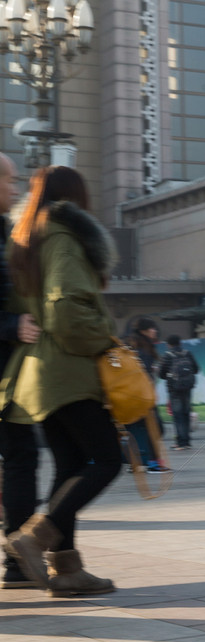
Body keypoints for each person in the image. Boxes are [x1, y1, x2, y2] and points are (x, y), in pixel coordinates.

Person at [2, 165, 120, 595]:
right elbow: (65, 311)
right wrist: (104, 339)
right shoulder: (63, 237)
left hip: (36, 375)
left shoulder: (25, 238)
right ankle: (34, 539)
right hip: (65, 369)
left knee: (69, 467)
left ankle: (67, 570)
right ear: (74, 197)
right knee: (108, 459)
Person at [0, 154, 41, 589]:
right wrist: (13, 325)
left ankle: (18, 561)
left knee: (21, 455)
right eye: (9, 181)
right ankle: (17, 560)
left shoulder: (6, 232)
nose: (15, 190)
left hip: (8, 373)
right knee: (20, 457)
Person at [124, 316, 166, 472]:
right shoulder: (144, 348)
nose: (155, 331)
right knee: (155, 428)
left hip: (130, 395)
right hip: (142, 396)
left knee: (137, 429)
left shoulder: (130, 345)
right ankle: (152, 462)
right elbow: (143, 374)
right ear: (144, 331)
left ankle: (137, 462)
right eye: (152, 328)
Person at [158, 334, 199, 451]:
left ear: (168, 345)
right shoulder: (188, 353)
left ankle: (180, 443)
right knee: (186, 414)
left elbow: (161, 374)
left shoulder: (167, 356)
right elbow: (196, 369)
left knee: (178, 416)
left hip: (174, 389)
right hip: (188, 388)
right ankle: (187, 441)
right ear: (180, 343)